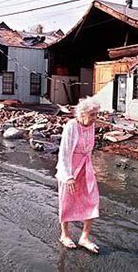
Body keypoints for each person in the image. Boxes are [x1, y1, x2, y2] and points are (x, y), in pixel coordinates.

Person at [56, 97, 101, 254]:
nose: (95, 118)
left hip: (85, 167)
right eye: (93, 114)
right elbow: (64, 153)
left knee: (92, 199)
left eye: (96, 114)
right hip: (70, 168)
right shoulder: (71, 126)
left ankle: (84, 237)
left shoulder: (91, 125)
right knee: (67, 199)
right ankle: (65, 234)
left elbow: (88, 149)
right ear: (82, 113)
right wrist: (67, 175)